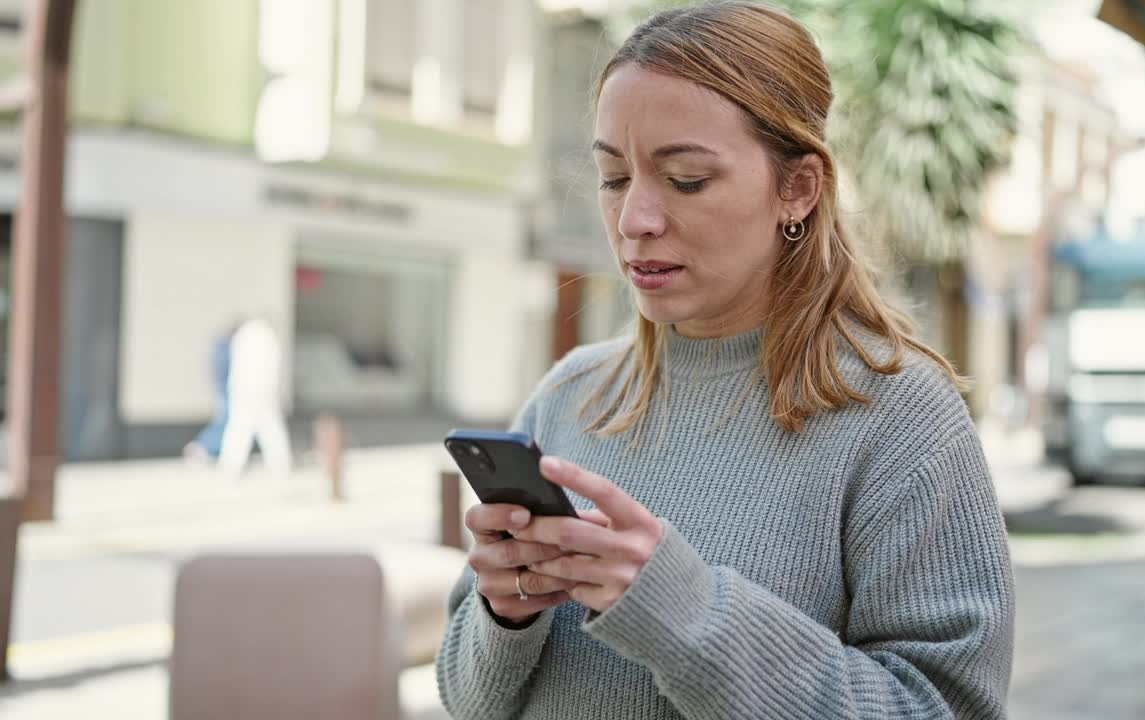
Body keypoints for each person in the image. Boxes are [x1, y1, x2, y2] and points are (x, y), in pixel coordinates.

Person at [437, 3, 1015, 718]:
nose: (634, 220)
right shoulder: (570, 394)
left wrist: (682, 610)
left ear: (798, 188)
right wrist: (505, 611)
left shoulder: (899, 417)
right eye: (614, 178)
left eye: (685, 180)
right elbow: (467, 700)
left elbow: (940, 708)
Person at [217, 316, 293, 477]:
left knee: (240, 428)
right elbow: (272, 369)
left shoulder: (244, 337)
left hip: (243, 391)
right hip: (262, 392)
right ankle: (279, 464)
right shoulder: (267, 338)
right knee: (269, 429)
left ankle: (231, 466)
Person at [184, 319, 240, 464]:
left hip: (224, 388)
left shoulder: (222, 346)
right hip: (226, 389)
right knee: (224, 421)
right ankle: (201, 447)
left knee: (225, 421)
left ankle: (207, 449)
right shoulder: (226, 348)